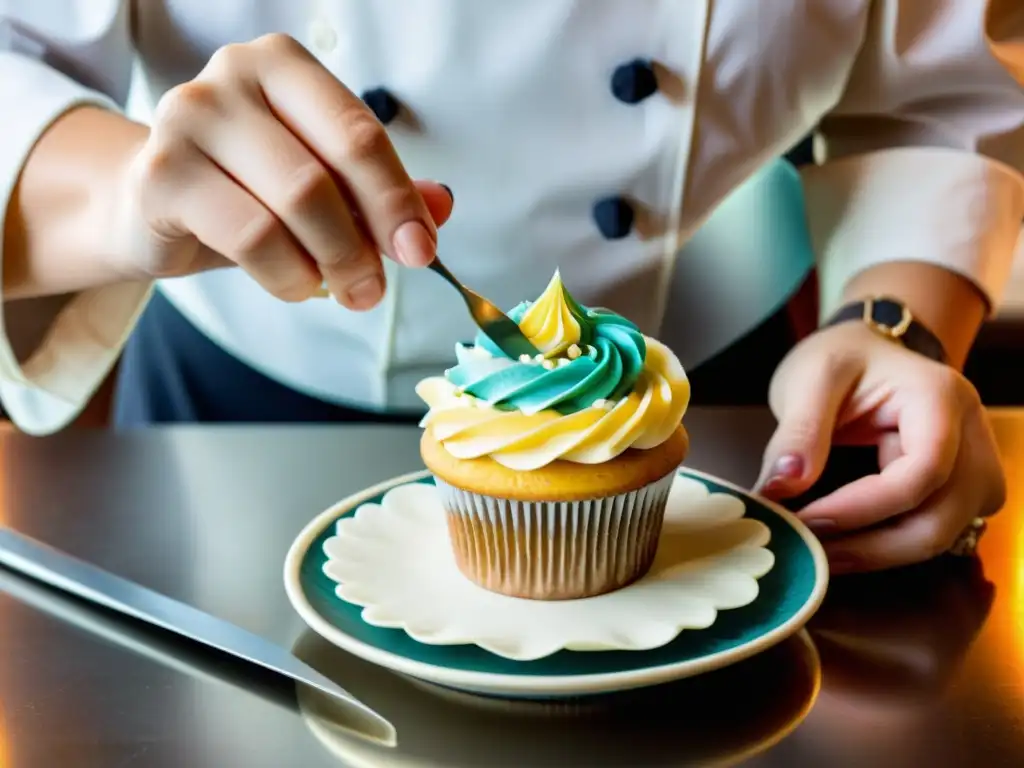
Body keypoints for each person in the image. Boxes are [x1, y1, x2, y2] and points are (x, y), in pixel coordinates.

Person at [1, 1, 1021, 574]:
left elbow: (930, 105)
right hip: (226, 434)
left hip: (722, 421)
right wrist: (127, 192)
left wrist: (894, 327)